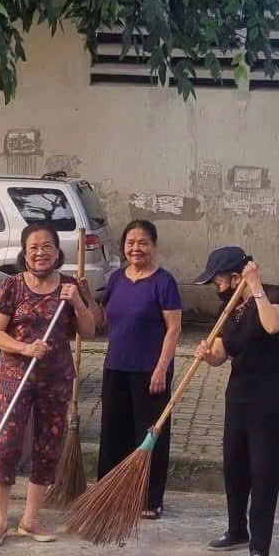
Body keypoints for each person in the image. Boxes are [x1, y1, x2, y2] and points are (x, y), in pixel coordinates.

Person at [0, 222, 97, 545]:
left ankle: (31, 520)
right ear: (24, 252)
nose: (40, 252)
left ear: (58, 251)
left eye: (47, 246)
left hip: (56, 378)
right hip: (14, 377)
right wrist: (25, 348)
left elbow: (88, 331)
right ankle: (1, 520)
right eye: (33, 247)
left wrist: (77, 302)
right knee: (6, 445)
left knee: (48, 447)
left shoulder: (70, 287)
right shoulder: (12, 287)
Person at [194, 247, 279, 556]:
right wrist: (207, 354)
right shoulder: (228, 311)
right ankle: (237, 529)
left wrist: (255, 288)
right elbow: (222, 353)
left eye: (218, 279)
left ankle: (260, 545)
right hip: (239, 393)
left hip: (272, 396)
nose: (216, 286)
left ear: (236, 277)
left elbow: (271, 326)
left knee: (263, 470)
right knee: (234, 464)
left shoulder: (271, 295)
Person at [95, 219, 182, 519]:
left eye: (143, 242)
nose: (136, 248)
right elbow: (100, 320)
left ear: (154, 246)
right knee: (113, 433)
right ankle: (109, 493)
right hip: (116, 367)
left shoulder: (164, 282)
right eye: (131, 243)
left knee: (148, 436)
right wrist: (83, 295)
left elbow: (173, 329)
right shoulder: (116, 279)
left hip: (150, 371)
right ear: (123, 247)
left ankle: (148, 499)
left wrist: (162, 368)